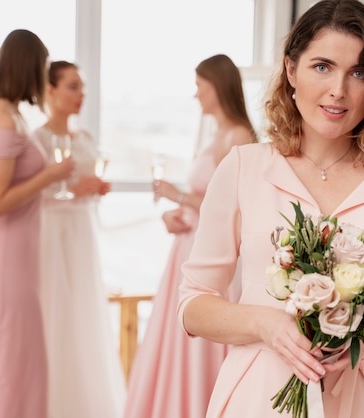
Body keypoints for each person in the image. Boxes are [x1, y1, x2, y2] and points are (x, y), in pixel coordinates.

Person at [177, 1, 364, 417]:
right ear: (292, 70)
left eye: (359, 73)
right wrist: (265, 324)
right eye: (322, 67)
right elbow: (193, 304)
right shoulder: (243, 168)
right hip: (260, 396)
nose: (339, 90)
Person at [124, 54, 257, 418]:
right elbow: (207, 201)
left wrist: (177, 195)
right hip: (188, 244)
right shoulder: (215, 133)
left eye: (200, 86)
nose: (196, 95)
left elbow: (235, 206)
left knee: (203, 344)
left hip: (215, 252)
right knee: (176, 338)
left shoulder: (240, 136)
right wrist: (179, 214)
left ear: (218, 87)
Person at [0, 29, 73, 418]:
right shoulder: (0, 117)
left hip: (14, 258)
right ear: (27, 66)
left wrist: (7, 194)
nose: (43, 78)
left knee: (18, 363)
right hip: (3, 260)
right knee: (7, 365)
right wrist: (50, 176)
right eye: (41, 67)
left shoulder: (7, 114)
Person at [32, 61, 125, 418]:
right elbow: (33, 196)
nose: (80, 95)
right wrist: (73, 190)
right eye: (72, 86)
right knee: (56, 312)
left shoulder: (85, 140)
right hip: (52, 234)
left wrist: (94, 189)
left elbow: (83, 186)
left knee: (84, 314)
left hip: (83, 234)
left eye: (82, 87)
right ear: (50, 91)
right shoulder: (37, 141)